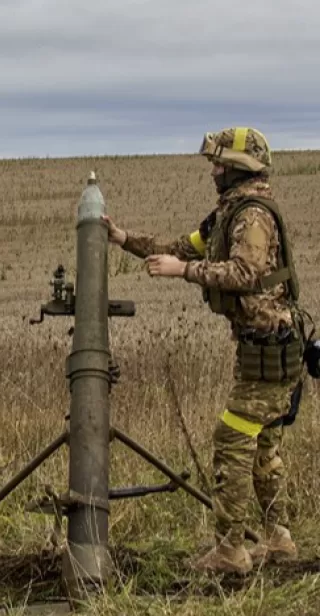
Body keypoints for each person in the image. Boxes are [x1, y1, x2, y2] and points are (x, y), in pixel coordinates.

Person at [104, 127, 303, 575]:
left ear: (238, 168)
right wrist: (123, 239)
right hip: (266, 351)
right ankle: (278, 538)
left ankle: (230, 551)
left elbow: (245, 273)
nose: (213, 171)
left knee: (233, 442)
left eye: (218, 164)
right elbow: (175, 247)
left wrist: (185, 272)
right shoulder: (225, 217)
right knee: (265, 448)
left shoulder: (251, 217)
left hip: (268, 353)